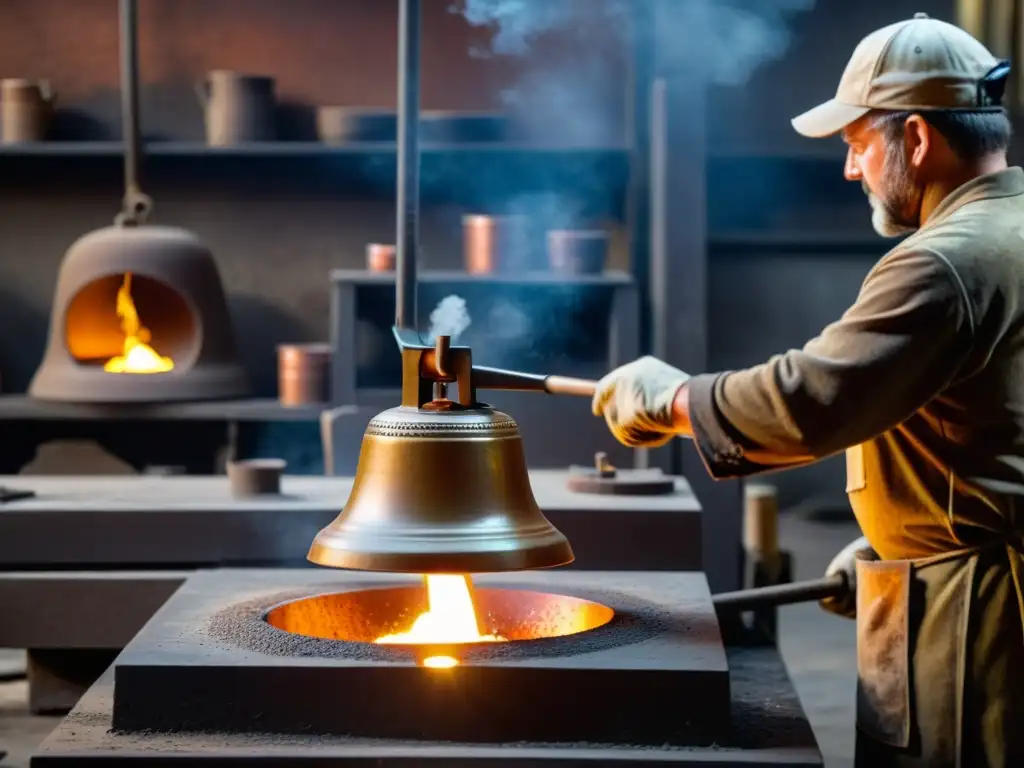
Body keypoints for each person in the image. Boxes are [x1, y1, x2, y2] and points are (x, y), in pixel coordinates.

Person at [591, 13, 1024, 768]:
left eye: (859, 144)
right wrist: (893, 540)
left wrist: (673, 397)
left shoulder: (944, 262)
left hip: (979, 623)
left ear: (916, 139)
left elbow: (810, 400)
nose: (851, 169)